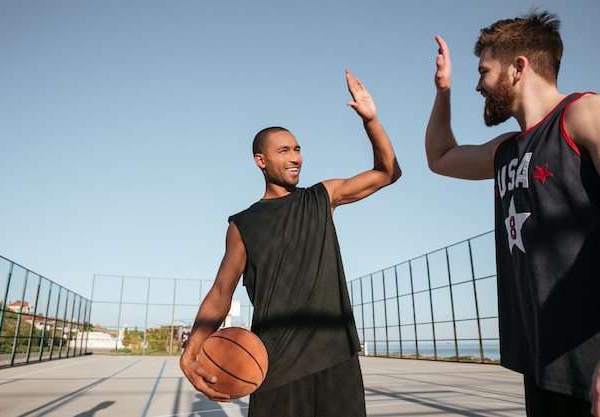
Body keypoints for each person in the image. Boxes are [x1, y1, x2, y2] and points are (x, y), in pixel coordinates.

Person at [180, 69, 401, 416]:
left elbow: (388, 172)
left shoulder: (322, 197)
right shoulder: (243, 225)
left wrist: (371, 121)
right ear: (261, 160)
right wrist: (190, 352)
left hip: (336, 357)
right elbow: (221, 293)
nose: (295, 157)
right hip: (274, 367)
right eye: (284, 151)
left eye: (297, 149)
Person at [425, 9, 600, 417]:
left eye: (484, 71)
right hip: (543, 361)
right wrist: (442, 90)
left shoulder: (583, 115)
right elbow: (440, 157)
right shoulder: (506, 148)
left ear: (518, 67)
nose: (478, 85)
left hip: (590, 357)